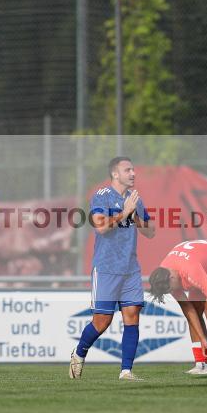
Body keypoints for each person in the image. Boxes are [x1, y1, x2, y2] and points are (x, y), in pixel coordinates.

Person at [69, 157, 155, 381]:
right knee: (102, 322)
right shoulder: (102, 195)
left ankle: (126, 371)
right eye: (128, 170)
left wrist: (136, 217)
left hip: (130, 268)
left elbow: (150, 231)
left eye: (134, 169)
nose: (133, 173)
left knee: (132, 314)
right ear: (115, 174)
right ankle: (79, 353)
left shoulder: (135, 199)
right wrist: (125, 213)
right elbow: (100, 227)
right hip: (106, 268)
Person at [148, 239, 207, 376]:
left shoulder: (191, 271)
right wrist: (202, 338)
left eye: (171, 289)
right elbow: (187, 309)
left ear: (172, 278)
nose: (173, 291)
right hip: (201, 263)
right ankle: (200, 363)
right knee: (194, 307)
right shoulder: (164, 274)